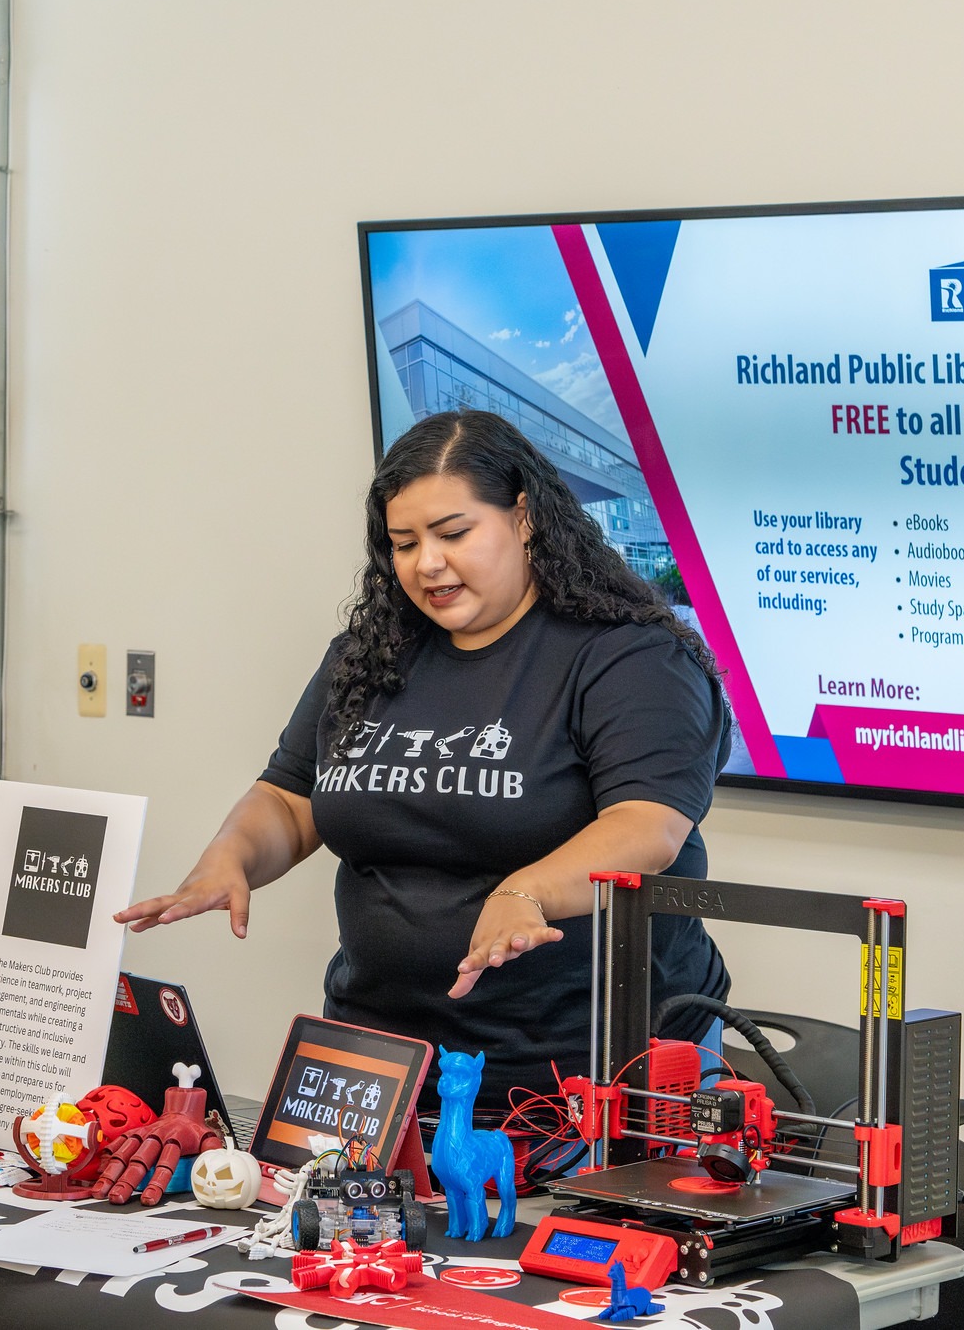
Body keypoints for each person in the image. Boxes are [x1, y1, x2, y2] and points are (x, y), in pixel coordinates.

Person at [115, 408, 733, 1117]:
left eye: (453, 533)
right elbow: (291, 798)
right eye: (403, 543)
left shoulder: (631, 657)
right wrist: (230, 857)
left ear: (525, 515)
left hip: (581, 1081)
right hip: (378, 1072)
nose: (426, 563)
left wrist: (524, 890)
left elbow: (647, 825)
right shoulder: (371, 651)